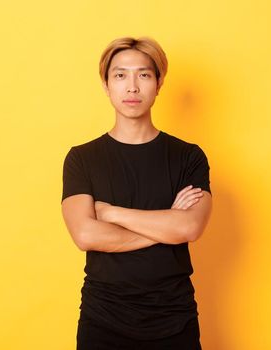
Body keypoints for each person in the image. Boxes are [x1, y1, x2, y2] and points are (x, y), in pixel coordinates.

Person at [61, 36, 213, 349]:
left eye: (143, 75)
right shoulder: (82, 158)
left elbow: (190, 227)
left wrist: (112, 213)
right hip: (102, 319)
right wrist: (167, 227)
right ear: (106, 85)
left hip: (175, 318)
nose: (132, 87)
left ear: (159, 84)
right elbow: (86, 236)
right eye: (120, 75)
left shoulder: (188, 156)